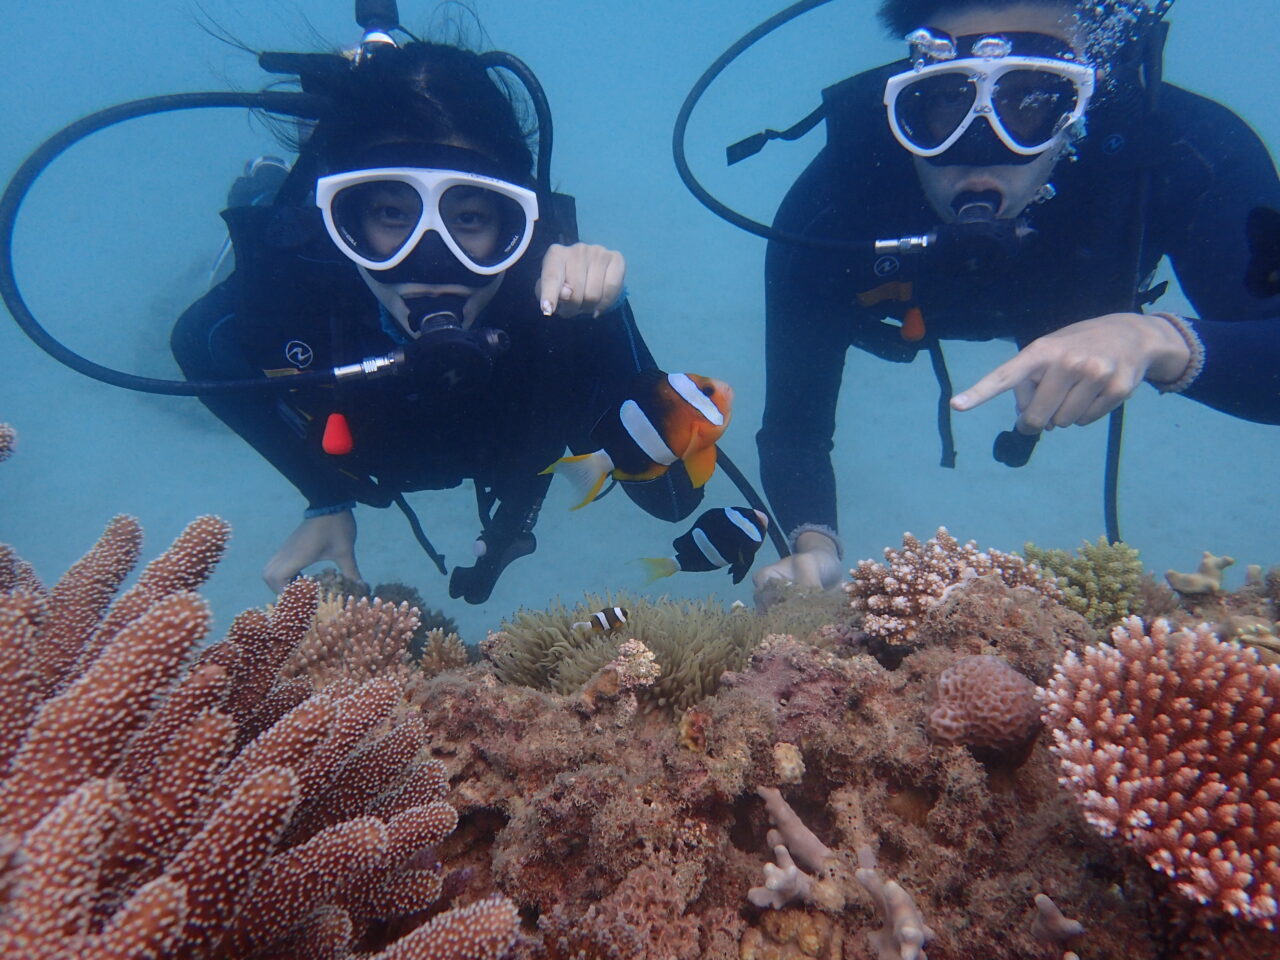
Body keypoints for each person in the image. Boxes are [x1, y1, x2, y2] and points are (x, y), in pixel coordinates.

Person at [750, 0, 1280, 603]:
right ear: (904, 102)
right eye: (946, 102)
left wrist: (1158, 340)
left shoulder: (1188, 155)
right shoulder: (834, 201)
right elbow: (795, 429)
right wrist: (814, 549)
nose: (982, 145)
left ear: (1084, 98)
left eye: (1031, 102)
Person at [173, 38, 703, 603]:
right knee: (269, 215)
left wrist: (606, 318)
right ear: (346, 218)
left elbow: (672, 500)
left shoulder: (552, 308)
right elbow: (196, 346)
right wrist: (323, 494)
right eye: (391, 213)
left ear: (515, 226)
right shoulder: (302, 283)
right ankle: (272, 179)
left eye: (470, 217)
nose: (430, 262)